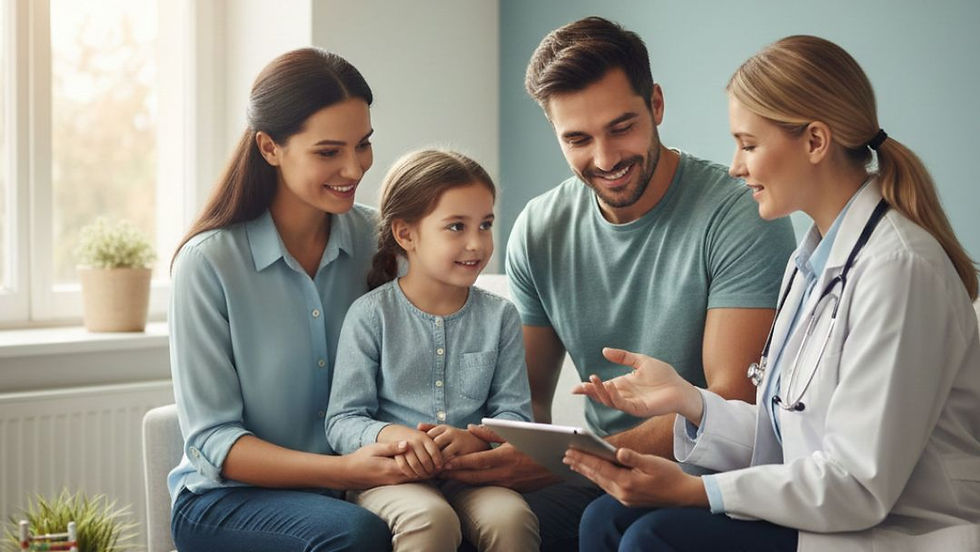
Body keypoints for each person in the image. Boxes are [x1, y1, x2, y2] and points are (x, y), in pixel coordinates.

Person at [568, 35, 980, 551]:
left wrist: (699, 491)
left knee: (655, 537)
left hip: (894, 528)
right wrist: (690, 401)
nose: (736, 166)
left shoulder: (899, 269)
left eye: (748, 143)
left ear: (814, 141)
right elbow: (785, 435)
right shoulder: (811, 262)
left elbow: (856, 484)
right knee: (605, 518)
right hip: (825, 509)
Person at [439, 16, 796, 549]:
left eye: (621, 127)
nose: (605, 159)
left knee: (611, 524)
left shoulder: (738, 212)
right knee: (469, 521)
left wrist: (573, 460)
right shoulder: (540, 228)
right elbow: (527, 397)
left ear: (655, 105)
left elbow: (731, 403)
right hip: (596, 475)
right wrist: (473, 445)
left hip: (714, 477)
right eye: (578, 139)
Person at [167, 48, 420, 552]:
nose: (355, 167)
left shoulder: (382, 242)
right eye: (328, 152)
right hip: (229, 499)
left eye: (363, 144)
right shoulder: (208, 263)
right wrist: (343, 469)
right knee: (355, 534)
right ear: (269, 147)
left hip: (353, 481)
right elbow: (214, 439)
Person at [325, 149, 540, 552]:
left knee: (512, 519)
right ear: (406, 234)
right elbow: (343, 421)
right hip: (393, 478)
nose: (476, 243)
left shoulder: (501, 317)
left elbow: (514, 415)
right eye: (456, 226)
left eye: (486, 224)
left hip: (473, 476)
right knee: (430, 520)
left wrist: (476, 439)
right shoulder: (371, 315)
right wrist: (395, 436)